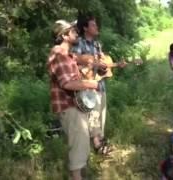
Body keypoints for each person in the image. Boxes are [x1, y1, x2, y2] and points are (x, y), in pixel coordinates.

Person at [47, 20, 99, 180]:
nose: (77, 32)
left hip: (75, 106)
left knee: (81, 148)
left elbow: (79, 64)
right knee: (77, 151)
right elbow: (67, 83)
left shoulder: (67, 55)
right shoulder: (59, 55)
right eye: (73, 31)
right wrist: (91, 84)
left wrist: (91, 65)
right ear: (63, 35)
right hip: (69, 107)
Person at [72, 14, 123, 154]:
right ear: (85, 28)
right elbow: (73, 61)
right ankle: (98, 146)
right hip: (87, 85)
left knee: (101, 114)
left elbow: (102, 65)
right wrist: (88, 65)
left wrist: (108, 66)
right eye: (93, 25)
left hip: (99, 84)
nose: (97, 27)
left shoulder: (97, 45)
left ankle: (100, 142)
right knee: (93, 115)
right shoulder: (79, 43)